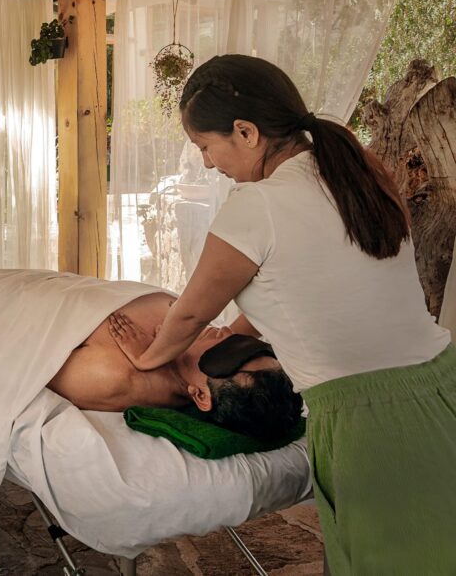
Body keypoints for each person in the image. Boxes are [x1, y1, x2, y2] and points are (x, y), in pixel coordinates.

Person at [107, 54, 456, 574]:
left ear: (245, 132)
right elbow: (318, 284)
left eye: (206, 146)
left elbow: (187, 318)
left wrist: (144, 359)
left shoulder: (257, 207)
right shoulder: (356, 175)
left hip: (370, 420)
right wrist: (242, 327)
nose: (206, 162)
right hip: (441, 385)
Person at [47, 290, 301, 440]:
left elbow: (32, 362)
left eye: (225, 354)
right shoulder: (199, 343)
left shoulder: (115, 376)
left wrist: (152, 355)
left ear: (200, 395)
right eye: (245, 344)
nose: (225, 333)